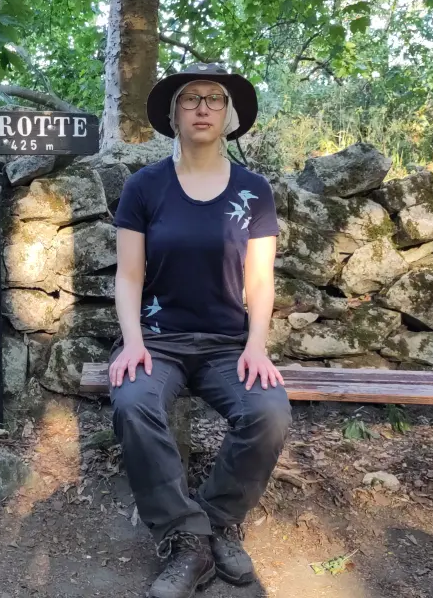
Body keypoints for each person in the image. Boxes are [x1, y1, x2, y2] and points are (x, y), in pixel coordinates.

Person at [108, 63, 291, 598]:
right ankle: (184, 539)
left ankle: (217, 522)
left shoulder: (253, 191)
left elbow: (259, 279)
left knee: (269, 412)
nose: (204, 107)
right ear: (174, 115)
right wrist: (134, 342)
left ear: (230, 116)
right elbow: (129, 274)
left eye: (214, 99)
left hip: (227, 345)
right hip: (157, 340)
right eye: (191, 100)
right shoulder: (145, 186)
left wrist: (257, 345)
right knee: (132, 403)